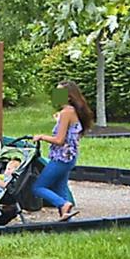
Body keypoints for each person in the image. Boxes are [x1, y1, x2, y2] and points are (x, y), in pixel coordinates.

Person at [33, 80, 95, 221]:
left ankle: (63, 204)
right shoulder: (72, 112)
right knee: (61, 188)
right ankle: (67, 219)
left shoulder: (67, 112)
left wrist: (41, 136)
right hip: (69, 157)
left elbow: (59, 140)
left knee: (38, 187)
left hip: (61, 158)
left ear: (68, 96)